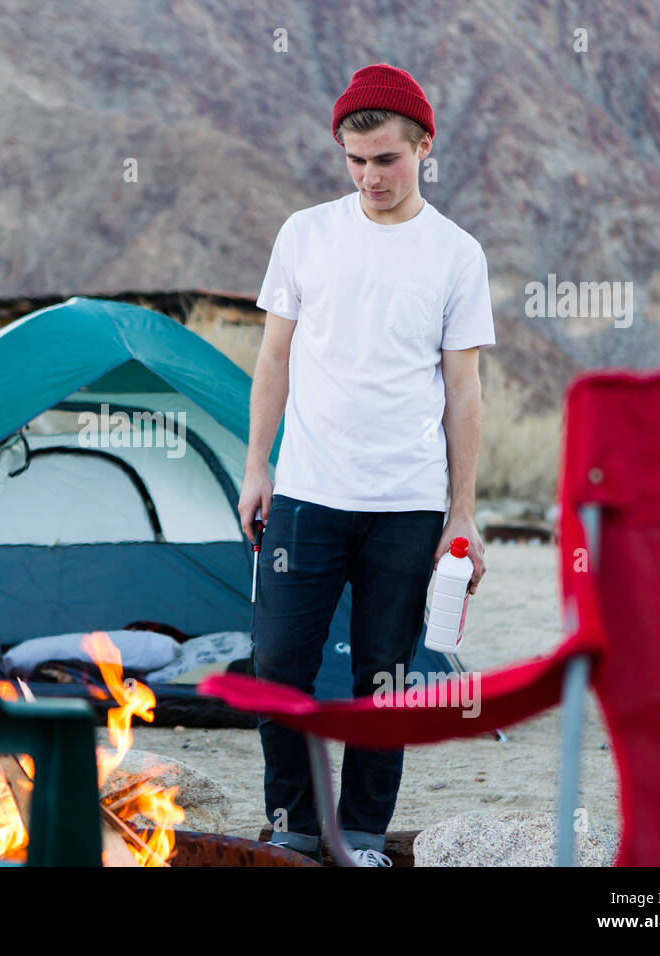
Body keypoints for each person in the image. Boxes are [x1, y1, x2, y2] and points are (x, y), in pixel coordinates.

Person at [238, 63, 495, 866]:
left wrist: (461, 514)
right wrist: (257, 468)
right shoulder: (305, 234)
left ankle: (360, 836)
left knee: (383, 678)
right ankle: (296, 825)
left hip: (407, 504)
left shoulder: (456, 254)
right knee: (280, 663)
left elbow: (464, 390)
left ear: (423, 146)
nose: (369, 176)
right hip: (308, 494)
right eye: (355, 161)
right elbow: (273, 358)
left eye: (385, 159)